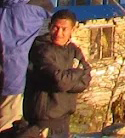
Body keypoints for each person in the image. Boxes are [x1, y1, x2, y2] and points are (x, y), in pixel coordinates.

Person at [0, 0, 52, 132]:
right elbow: (51, 21)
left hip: (8, 73)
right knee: (8, 125)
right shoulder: (35, 7)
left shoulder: (4, 5)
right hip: (14, 76)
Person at [24, 10, 91, 138]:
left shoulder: (73, 51)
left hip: (64, 120)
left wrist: (67, 78)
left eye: (64, 29)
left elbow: (85, 81)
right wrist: (76, 72)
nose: (59, 33)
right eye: (56, 28)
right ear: (50, 27)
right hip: (43, 122)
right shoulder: (41, 49)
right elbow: (59, 81)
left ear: (72, 30)